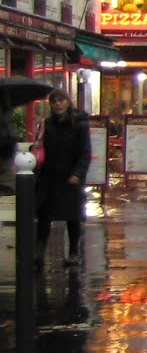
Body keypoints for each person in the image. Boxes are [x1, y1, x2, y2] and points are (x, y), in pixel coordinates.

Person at [35, 89, 90, 265]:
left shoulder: (80, 125)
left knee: (72, 215)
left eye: (61, 100)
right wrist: (36, 145)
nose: (58, 104)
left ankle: (74, 252)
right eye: (54, 101)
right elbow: (41, 149)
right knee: (44, 214)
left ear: (68, 102)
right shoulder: (48, 124)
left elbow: (85, 153)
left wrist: (78, 174)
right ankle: (39, 252)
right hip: (49, 176)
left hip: (69, 176)